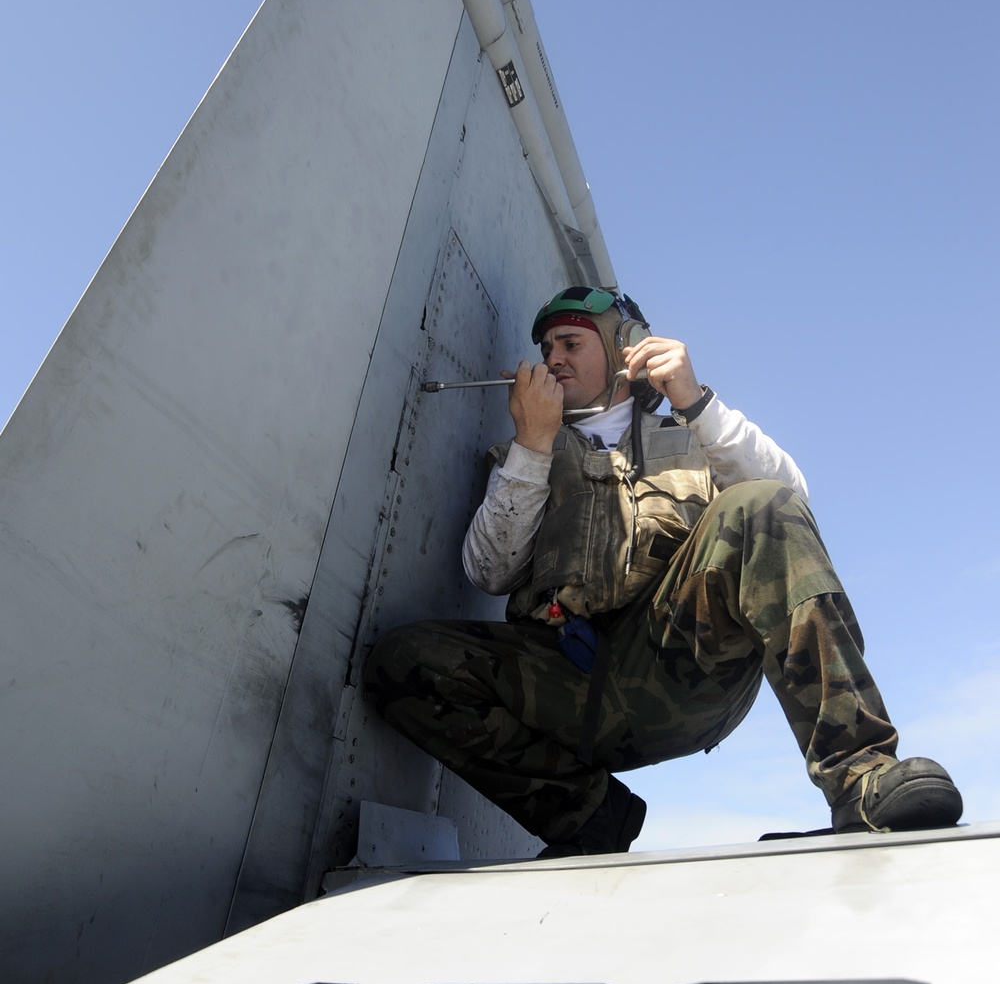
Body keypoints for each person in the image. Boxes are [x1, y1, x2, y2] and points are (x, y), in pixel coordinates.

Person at [365, 286, 962, 855]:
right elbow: (488, 570)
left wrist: (695, 401)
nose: (555, 359)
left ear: (625, 348)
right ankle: (589, 815)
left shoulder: (695, 432)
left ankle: (860, 776)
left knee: (760, 505)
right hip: (570, 689)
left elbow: (789, 497)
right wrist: (533, 445)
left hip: (684, 668)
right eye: (548, 349)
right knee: (404, 659)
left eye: (572, 344)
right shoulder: (527, 450)